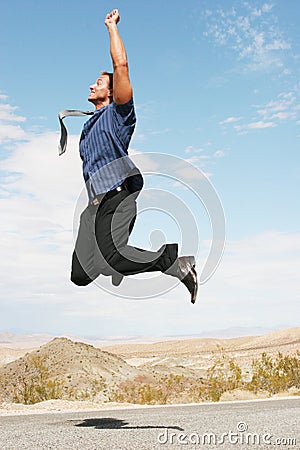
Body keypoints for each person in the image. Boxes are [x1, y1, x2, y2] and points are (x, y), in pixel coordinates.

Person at [69, 9, 198, 303]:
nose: (92, 85)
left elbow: (121, 65)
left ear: (114, 92)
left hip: (118, 197)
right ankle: (115, 259)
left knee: (114, 258)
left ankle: (174, 263)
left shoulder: (119, 115)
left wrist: (111, 27)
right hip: (93, 207)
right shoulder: (88, 128)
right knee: (79, 275)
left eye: (99, 83)